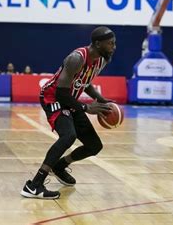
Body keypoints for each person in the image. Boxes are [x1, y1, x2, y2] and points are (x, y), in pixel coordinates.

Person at [21, 26, 116, 199]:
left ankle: (59, 166)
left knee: (94, 145)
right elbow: (60, 93)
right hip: (53, 98)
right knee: (68, 136)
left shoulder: (102, 60)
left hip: (70, 100)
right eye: (110, 43)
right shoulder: (76, 58)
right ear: (97, 43)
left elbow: (84, 82)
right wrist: (87, 108)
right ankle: (34, 185)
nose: (114, 47)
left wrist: (101, 99)